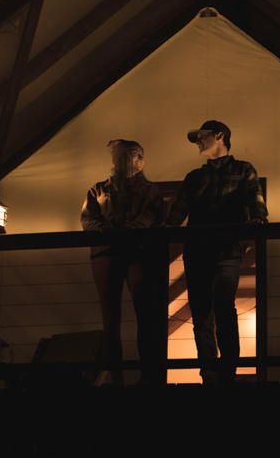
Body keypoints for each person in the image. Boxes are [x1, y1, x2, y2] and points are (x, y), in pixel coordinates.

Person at [166, 120, 268, 384]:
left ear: (219, 136)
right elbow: (176, 215)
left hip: (224, 250)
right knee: (204, 310)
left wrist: (258, 220)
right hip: (203, 250)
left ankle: (224, 369)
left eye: (202, 137)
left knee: (221, 307)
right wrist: (164, 228)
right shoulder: (195, 177)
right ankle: (212, 370)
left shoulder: (243, 170)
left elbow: (256, 203)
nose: (198, 142)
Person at [81, 139, 163, 385]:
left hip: (135, 254)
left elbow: (154, 217)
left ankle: (146, 375)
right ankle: (115, 372)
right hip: (109, 253)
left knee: (143, 314)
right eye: (131, 156)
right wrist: (115, 231)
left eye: (136, 156)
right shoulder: (98, 190)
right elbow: (89, 221)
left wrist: (121, 230)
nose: (136, 161)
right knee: (111, 316)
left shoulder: (150, 191)